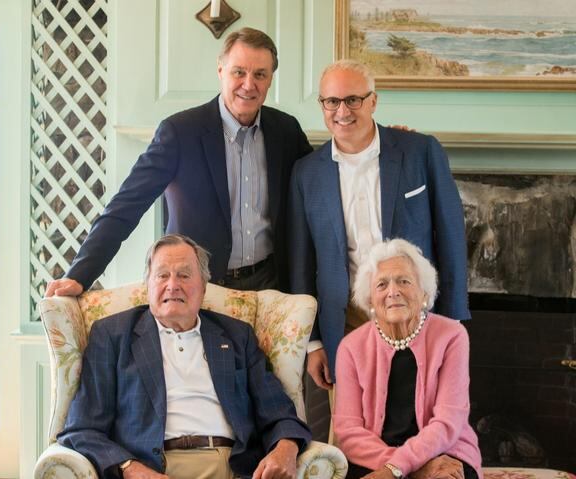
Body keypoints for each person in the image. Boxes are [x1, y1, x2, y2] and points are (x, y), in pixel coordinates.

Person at [45, 27, 312, 298]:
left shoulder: (286, 131)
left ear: (270, 79)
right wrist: (79, 275)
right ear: (220, 71)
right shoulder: (180, 132)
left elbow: (317, 189)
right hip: (198, 289)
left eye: (260, 75)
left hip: (270, 287)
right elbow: (125, 207)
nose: (248, 84)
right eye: (239, 72)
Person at [57, 233, 311, 479]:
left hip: (232, 466)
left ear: (203, 287)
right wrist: (130, 468)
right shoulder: (112, 335)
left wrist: (285, 449)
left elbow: (279, 412)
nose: (172, 284)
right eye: (162, 275)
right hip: (154, 467)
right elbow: (82, 428)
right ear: (148, 286)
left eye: (184, 275)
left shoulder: (237, 336)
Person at [288, 59, 470, 389]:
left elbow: (451, 236)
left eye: (353, 100)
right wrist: (312, 342)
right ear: (322, 105)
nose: (342, 111)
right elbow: (302, 262)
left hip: (416, 312)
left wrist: (452, 322)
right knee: (352, 425)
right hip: (343, 321)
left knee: (417, 416)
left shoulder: (420, 151)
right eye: (332, 101)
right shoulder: (306, 173)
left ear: (373, 101)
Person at [333, 238, 482, 479]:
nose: (393, 291)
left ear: (424, 293)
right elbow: (348, 431)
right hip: (374, 458)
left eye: (404, 281)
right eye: (381, 284)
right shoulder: (350, 348)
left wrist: (399, 468)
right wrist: (406, 468)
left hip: (444, 453)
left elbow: (447, 422)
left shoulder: (452, 336)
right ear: (370, 300)